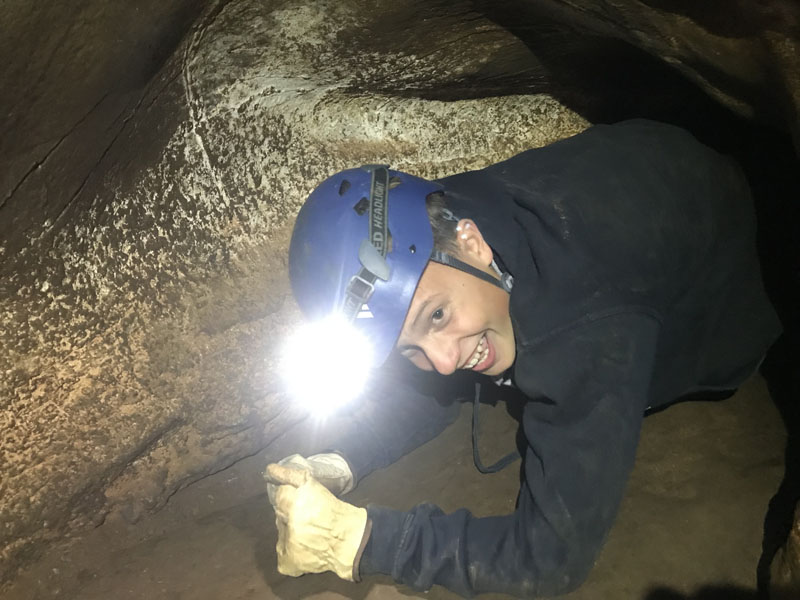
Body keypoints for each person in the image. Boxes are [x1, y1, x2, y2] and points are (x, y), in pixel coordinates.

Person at [264, 119, 782, 597]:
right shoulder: (438, 217)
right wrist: (340, 458)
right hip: (654, 161)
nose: (444, 361)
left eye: (437, 316)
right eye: (410, 348)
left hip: (732, 289)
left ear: (472, 243)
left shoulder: (585, 314)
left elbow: (551, 558)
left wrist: (362, 541)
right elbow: (430, 381)